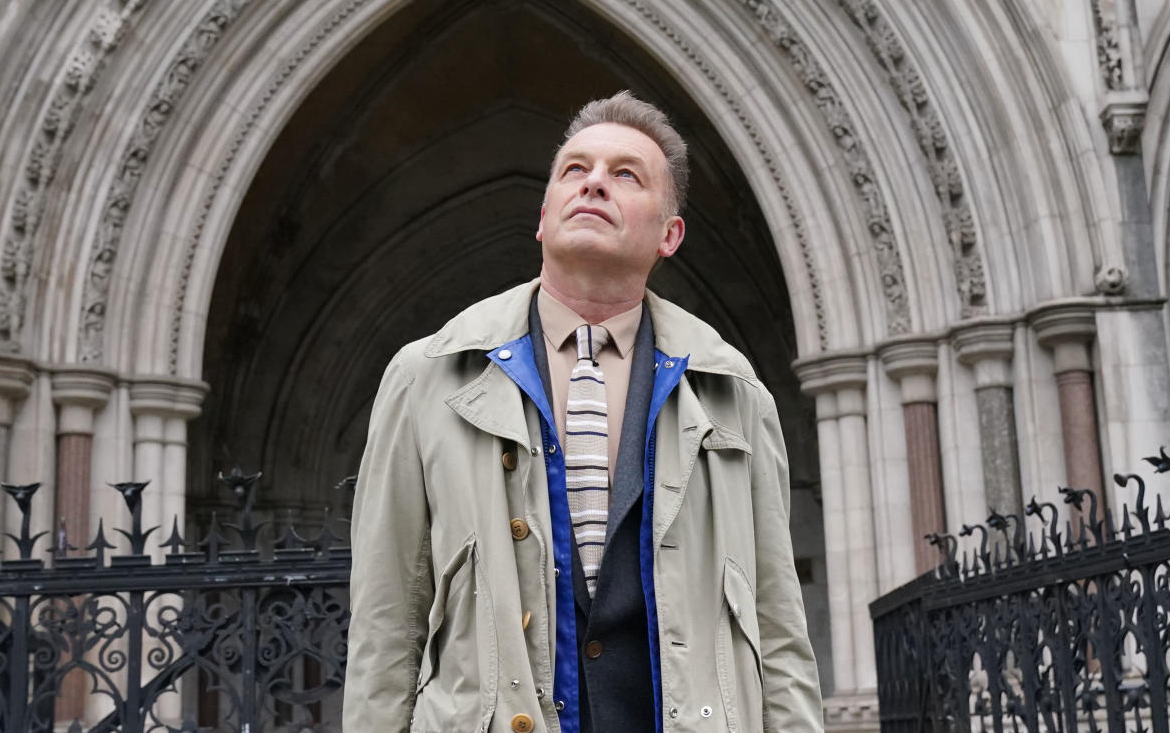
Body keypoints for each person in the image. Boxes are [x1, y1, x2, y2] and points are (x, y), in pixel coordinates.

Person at [344, 92, 823, 732]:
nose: (594, 182)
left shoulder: (735, 395)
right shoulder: (425, 378)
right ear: (543, 217)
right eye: (575, 170)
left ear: (669, 235)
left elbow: (778, 628)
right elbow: (385, 623)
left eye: (626, 175)